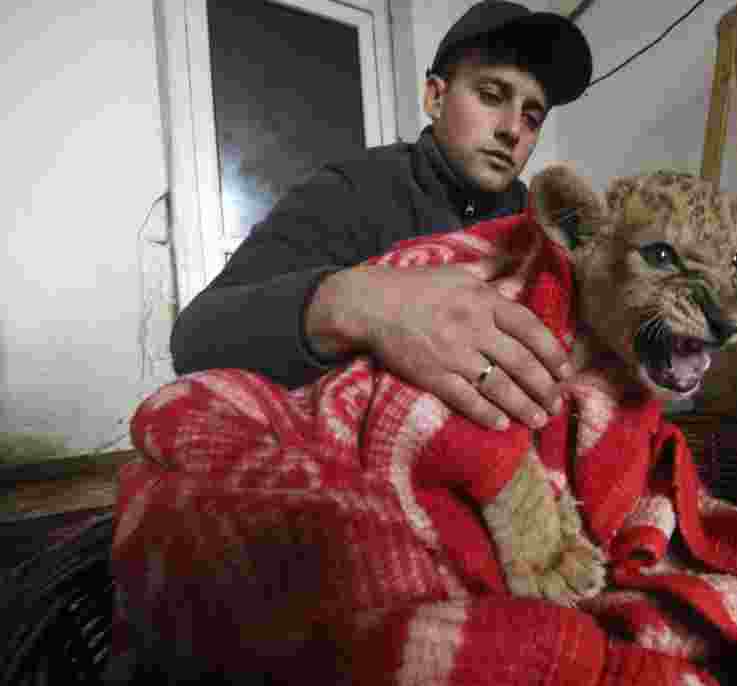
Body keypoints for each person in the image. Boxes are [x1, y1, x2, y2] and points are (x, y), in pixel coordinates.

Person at [170, 0, 593, 433]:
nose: (512, 129)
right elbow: (196, 339)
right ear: (435, 96)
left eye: (532, 117)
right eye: (490, 96)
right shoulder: (355, 191)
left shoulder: (539, 227)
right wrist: (359, 303)